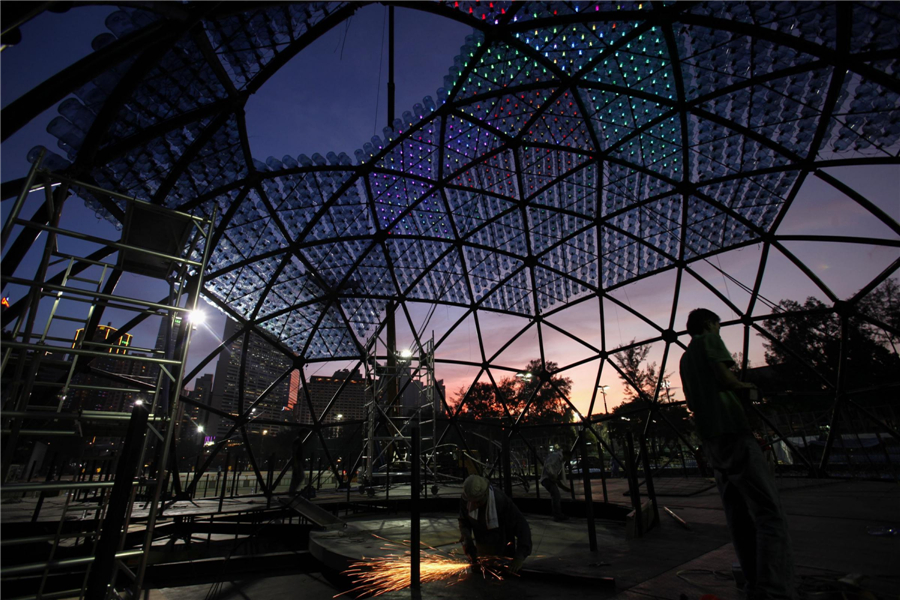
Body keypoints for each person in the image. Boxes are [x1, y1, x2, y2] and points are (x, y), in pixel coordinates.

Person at [680, 309, 794, 600]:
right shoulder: (708, 341)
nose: (719, 330)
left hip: (710, 439)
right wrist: (748, 387)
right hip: (732, 431)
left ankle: (753, 583)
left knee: (737, 516)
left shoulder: (684, 358)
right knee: (769, 513)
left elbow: (692, 402)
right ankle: (773, 590)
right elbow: (726, 378)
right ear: (708, 324)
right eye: (718, 325)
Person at [458, 474, 532, 574]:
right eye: (473, 502)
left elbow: (522, 527)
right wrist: (468, 542)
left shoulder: (500, 501)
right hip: (482, 552)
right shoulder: (467, 499)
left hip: (503, 551)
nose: (475, 505)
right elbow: (464, 521)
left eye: (478, 502)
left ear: (485, 494)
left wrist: (519, 557)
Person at [540, 447, 571, 521]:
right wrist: (553, 476)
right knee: (556, 495)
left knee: (555, 495)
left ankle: (557, 514)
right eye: (568, 458)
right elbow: (549, 466)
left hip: (547, 478)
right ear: (565, 455)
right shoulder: (556, 457)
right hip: (547, 478)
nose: (567, 460)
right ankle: (557, 515)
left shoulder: (558, 459)